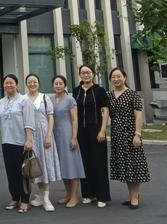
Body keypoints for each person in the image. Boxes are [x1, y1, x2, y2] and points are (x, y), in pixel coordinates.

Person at [107, 68, 150, 210]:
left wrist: (137, 134)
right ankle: (131, 194)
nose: (116, 79)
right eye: (113, 77)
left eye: (119, 76)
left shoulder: (132, 94)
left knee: (134, 164)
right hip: (117, 134)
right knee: (125, 166)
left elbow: (138, 116)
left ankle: (135, 196)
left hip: (130, 133)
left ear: (124, 77)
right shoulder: (109, 95)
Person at [73, 64, 111, 208]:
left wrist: (103, 130)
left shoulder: (99, 90)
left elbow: (105, 110)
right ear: (80, 75)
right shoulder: (76, 91)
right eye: (83, 73)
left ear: (93, 74)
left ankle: (101, 196)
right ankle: (88, 194)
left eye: (88, 72)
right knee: (84, 161)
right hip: (81, 132)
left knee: (98, 162)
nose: (86, 75)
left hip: (96, 130)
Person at [24, 74, 62, 212]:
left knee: (45, 166)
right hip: (29, 136)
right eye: (29, 82)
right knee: (35, 166)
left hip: (44, 135)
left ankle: (46, 198)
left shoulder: (45, 98)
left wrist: (49, 136)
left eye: (34, 81)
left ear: (38, 83)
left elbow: (50, 117)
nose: (32, 84)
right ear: (26, 84)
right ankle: (40, 196)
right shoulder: (23, 99)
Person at [0, 74, 35, 214]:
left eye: (11, 82)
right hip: (6, 141)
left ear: (16, 84)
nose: (9, 85)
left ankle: (25, 200)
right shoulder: (1, 101)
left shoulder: (24, 100)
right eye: (6, 83)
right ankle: (15, 197)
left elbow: (29, 121)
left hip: (21, 142)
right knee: (11, 172)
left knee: (23, 173)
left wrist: (29, 139)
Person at [51, 75, 85, 208]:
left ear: (65, 85)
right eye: (56, 83)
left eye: (60, 83)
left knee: (72, 165)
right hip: (55, 136)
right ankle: (68, 194)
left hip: (67, 134)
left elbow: (75, 120)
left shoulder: (70, 99)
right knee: (63, 166)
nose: (58, 85)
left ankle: (74, 197)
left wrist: (74, 137)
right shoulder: (50, 99)